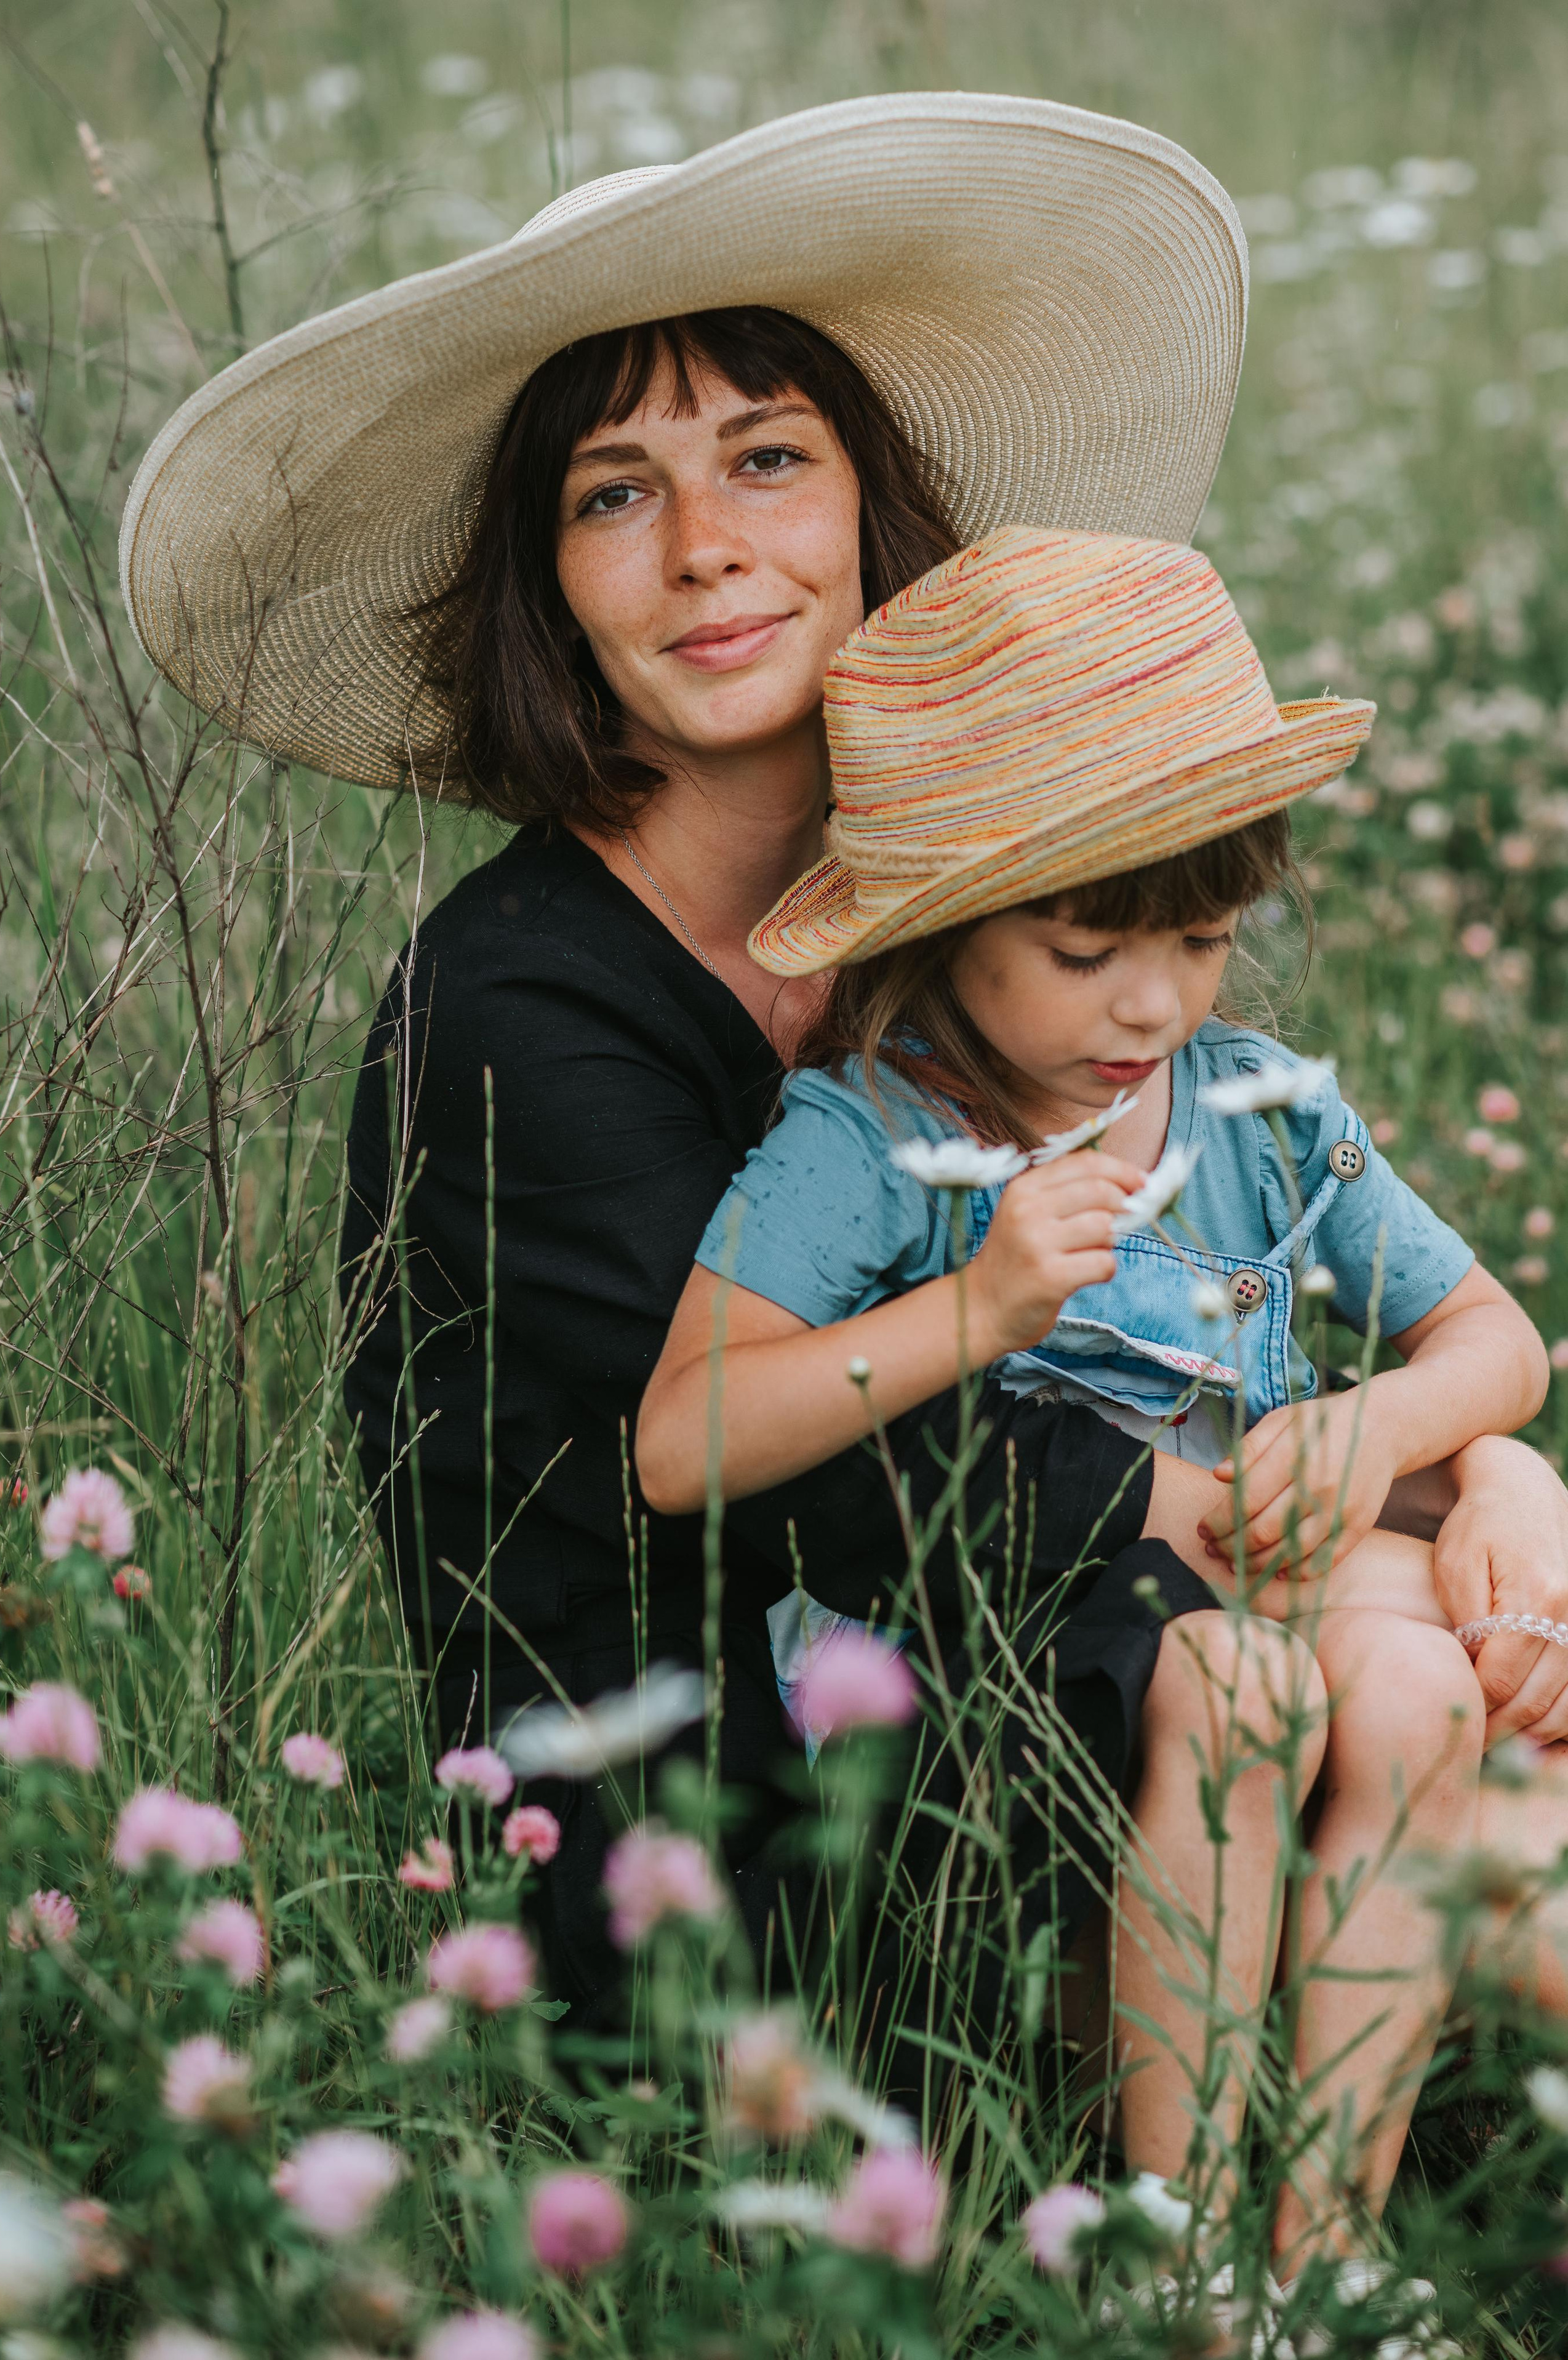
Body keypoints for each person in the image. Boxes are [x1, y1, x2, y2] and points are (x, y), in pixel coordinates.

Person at [118, 87, 1568, 2193]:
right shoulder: (517, 1011)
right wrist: (1410, 1533)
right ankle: (1225, 2254)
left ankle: (1312, 2200)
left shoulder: (1005, 910)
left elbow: (1187, 1309)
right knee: (1480, 1787)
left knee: (1475, 1713)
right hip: (743, 1845)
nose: (709, 546)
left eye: (769, 459)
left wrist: (1486, 1461)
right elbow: (912, 1488)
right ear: (545, 580)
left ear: (873, 508)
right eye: (619, 491)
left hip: (1096, 1677)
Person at [634, 523, 1551, 2274]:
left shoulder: (1260, 1104)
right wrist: (976, 1305)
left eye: (1203, 940)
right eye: (1083, 951)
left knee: (1422, 1693)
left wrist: (1386, 1424)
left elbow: (1494, 1333)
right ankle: (1187, 2244)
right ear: (949, 922)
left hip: (1246, 1591)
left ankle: (1330, 2244)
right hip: (990, 1665)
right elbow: (687, 1444)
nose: (1156, 1002)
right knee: (1235, 1682)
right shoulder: (869, 1137)